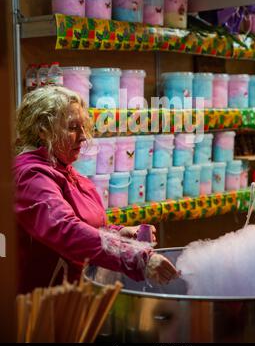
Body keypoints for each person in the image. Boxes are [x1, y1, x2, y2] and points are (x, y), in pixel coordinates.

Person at [14, 86, 179, 293]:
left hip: (69, 295)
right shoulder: (31, 176)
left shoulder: (64, 170)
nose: (83, 137)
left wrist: (120, 233)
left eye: (83, 127)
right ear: (42, 130)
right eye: (73, 127)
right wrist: (138, 258)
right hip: (38, 304)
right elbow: (67, 230)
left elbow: (85, 227)